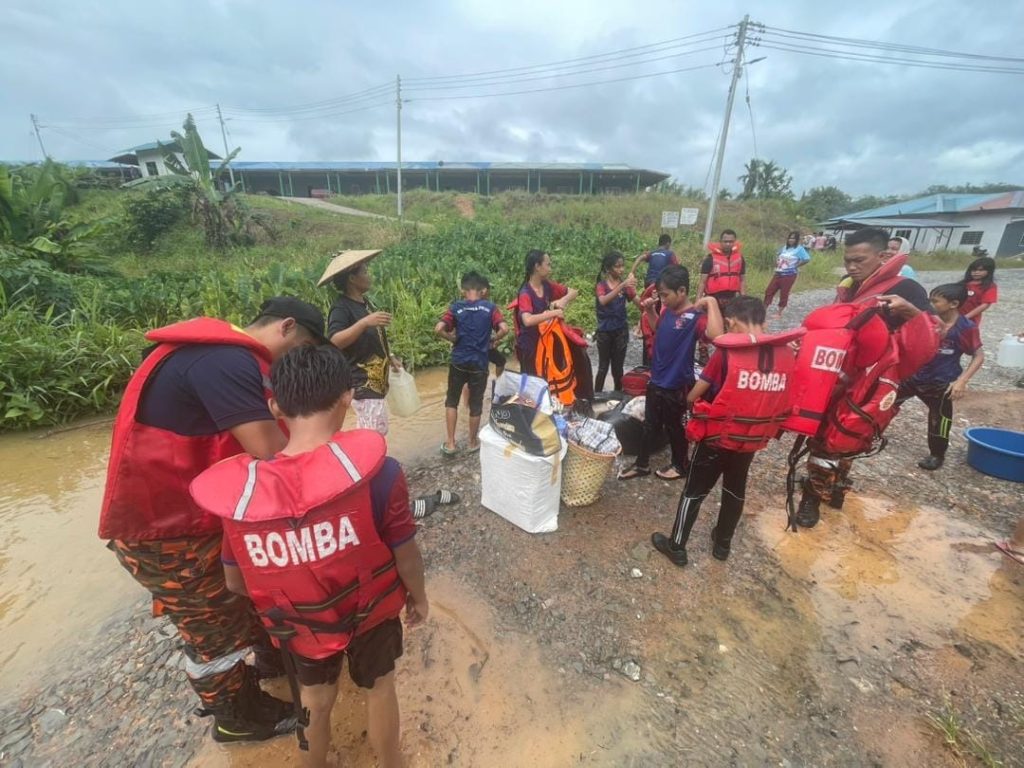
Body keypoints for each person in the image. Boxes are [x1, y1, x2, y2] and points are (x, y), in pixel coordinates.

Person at [98, 296, 328, 743]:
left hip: (194, 518)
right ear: (285, 327)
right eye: (303, 346)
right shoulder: (225, 361)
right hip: (165, 530)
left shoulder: (218, 354)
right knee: (210, 625)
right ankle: (234, 716)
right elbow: (267, 449)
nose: (298, 359)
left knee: (244, 598)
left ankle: (269, 665)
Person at [190, 345, 428, 768]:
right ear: (347, 397)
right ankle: (393, 763)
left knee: (315, 701)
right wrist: (418, 597)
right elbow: (405, 554)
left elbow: (235, 582)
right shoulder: (379, 473)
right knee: (380, 688)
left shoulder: (245, 498)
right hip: (372, 613)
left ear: (274, 405)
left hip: (301, 626)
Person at [794, 227, 938, 528]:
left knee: (846, 435)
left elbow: (932, 336)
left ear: (884, 256)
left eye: (859, 260)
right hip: (838, 373)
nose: (852, 267)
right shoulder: (849, 286)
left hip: (871, 381)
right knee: (827, 435)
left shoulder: (906, 290)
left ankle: (815, 496)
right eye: (848, 260)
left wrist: (911, 312)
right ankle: (827, 488)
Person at [651, 296, 801, 565]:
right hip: (752, 439)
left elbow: (695, 394)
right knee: (734, 490)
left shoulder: (727, 352)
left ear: (730, 322)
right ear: (764, 321)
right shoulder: (785, 353)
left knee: (694, 491)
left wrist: (688, 400)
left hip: (717, 438)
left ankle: (677, 546)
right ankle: (722, 544)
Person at [618, 266, 723, 481]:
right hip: (656, 378)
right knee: (648, 425)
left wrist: (711, 303)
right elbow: (659, 328)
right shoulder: (666, 311)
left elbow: (717, 336)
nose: (662, 299)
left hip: (677, 383)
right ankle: (642, 464)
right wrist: (650, 311)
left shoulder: (695, 317)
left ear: (682, 291)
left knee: (675, 427)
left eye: (666, 295)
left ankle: (680, 465)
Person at [896, 283, 984, 470]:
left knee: (940, 420)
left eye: (935, 301)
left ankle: (937, 455)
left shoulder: (965, 328)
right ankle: (868, 435)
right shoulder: (925, 319)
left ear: (953, 304)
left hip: (940, 382)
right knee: (885, 404)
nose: (930, 304)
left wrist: (962, 381)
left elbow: (979, 356)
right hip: (912, 376)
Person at [322, 249, 402, 436]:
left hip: (376, 383)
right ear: (352, 278)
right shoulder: (341, 308)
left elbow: (372, 338)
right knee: (372, 435)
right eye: (364, 272)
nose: (369, 276)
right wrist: (365, 322)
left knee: (378, 429)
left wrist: (389, 357)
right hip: (362, 384)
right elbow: (334, 341)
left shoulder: (365, 303)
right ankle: (370, 464)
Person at [435, 270, 508, 455]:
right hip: (479, 363)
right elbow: (504, 328)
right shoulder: (489, 308)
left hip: (458, 361)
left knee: (451, 401)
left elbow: (439, 328)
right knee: (476, 405)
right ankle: (472, 442)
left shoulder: (456, 307)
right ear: (482, 290)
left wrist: (452, 339)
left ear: (463, 290)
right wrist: (493, 340)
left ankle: (450, 444)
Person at [514, 249, 579, 376]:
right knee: (532, 384)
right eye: (548, 265)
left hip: (545, 341)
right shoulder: (525, 293)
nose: (550, 269)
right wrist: (553, 313)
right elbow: (527, 320)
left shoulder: (547, 286)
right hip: (530, 345)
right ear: (537, 267)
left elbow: (574, 292)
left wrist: (563, 300)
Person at [594, 250, 640, 392]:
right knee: (602, 367)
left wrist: (650, 300)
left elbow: (640, 303)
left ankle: (618, 396)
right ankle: (596, 396)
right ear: (608, 268)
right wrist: (622, 286)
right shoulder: (601, 285)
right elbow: (603, 300)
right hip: (604, 332)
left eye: (622, 266)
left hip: (621, 331)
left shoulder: (626, 287)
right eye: (617, 266)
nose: (621, 269)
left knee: (618, 368)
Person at [764, 230, 811, 317]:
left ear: (796, 239)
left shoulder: (799, 249)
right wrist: (777, 262)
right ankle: (764, 310)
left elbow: (807, 259)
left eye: (793, 238)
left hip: (789, 275)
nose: (791, 240)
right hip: (778, 273)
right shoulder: (785, 247)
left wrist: (796, 265)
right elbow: (778, 254)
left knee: (784, 293)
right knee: (769, 291)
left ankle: (779, 313)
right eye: (790, 238)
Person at [698, 229, 745, 304]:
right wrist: (698, 301)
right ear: (720, 241)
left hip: (732, 298)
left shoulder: (739, 259)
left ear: (734, 242)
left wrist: (743, 299)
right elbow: (702, 282)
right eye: (725, 241)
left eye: (731, 242)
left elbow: (742, 280)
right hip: (713, 298)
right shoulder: (710, 259)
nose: (728, 244)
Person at [958, 256, 998, 328]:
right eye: (974, 270)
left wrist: (966, 317)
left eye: (980, 270)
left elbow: (985, 305)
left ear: (989, 271)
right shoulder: (963, 284)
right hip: (954, 316)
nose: (976, 272)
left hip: (970, 319)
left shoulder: (990, 286)